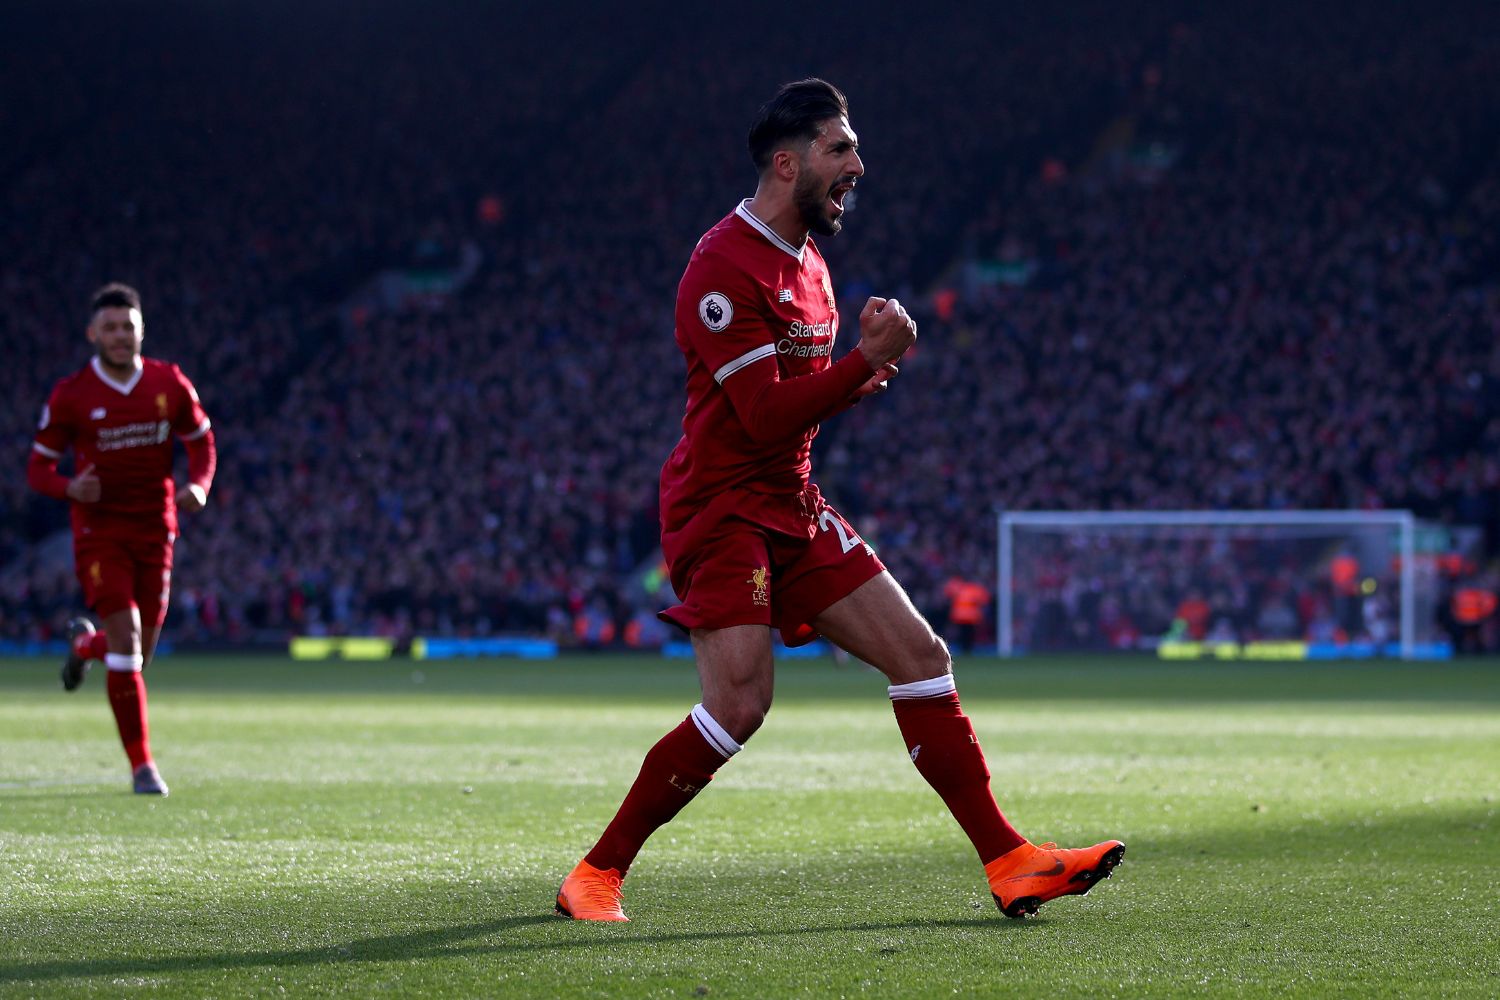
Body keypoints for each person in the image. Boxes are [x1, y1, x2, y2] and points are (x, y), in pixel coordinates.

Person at [555, 80, 1123, 922]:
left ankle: (1010, 860)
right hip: (723, 508)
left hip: (792, 499)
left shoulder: (811, 264)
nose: (858, 164)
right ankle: (596, 875)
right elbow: (755, 416)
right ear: (787, 164)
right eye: (840, 149)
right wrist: (859, 365)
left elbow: (797, 399)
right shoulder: (722, 264)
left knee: (923, 658)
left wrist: (854, 381)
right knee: (741, 705)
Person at [27, 283, 217, 796]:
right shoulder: (71, 395)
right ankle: (143, 767)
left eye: (127, 326)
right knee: (128, 640)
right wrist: (69, 486)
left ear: (141, 330)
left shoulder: (168, 382)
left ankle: (82, 646)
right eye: (109, 327)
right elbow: (38, 467)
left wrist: (198, 485)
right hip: (98, 532)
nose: (119, 335)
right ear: (93, 333)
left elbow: (202, 444)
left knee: (138, 653)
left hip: (156, 529)